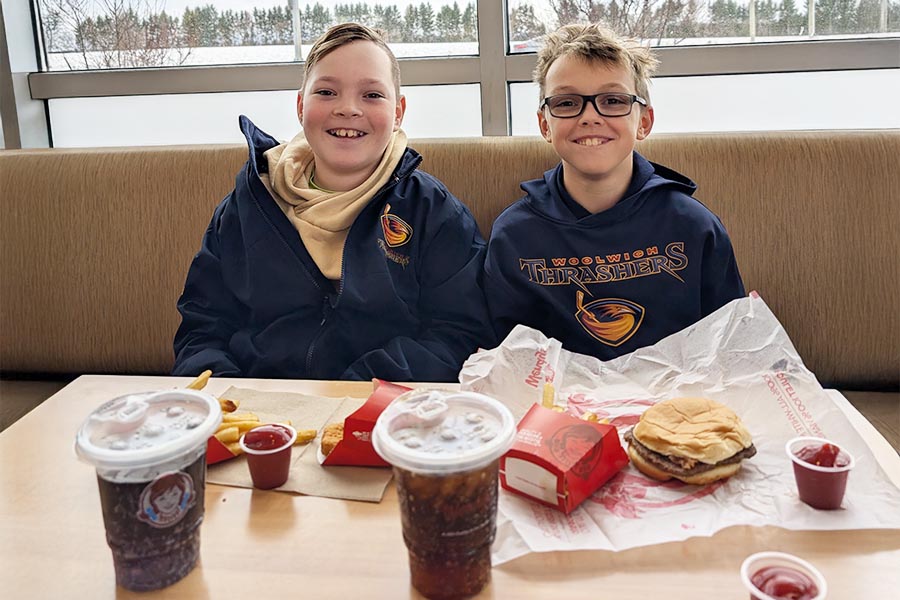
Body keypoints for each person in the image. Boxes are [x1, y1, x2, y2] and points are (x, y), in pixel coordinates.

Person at [173, 23, 492, 382]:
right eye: (326, 92)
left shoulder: (432, 211)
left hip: (380, 408)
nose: (347, 109)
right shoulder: (247, 205)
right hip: (259, 410)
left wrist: (354, 389)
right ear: (300, 105)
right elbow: (203, 325)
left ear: (399, 111)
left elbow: (460, 334)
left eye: (372, 95)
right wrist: (226, 393)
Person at [484, 23, 744, 360]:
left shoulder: (694, 226)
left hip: (671, 404)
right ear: (545, 124)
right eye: (566, 102)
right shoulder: (514, 237)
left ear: (644, 122)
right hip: (561, 408)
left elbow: (730, 345)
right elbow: (504, 360)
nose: (590, 117)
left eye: (612, 100)